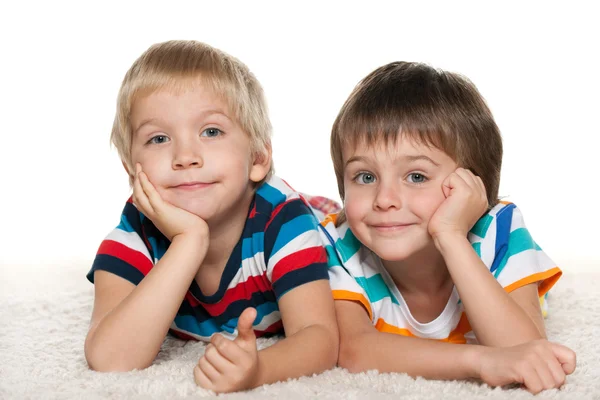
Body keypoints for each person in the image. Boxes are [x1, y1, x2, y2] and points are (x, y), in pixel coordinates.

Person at [84, 40, 339, 393]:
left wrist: (258, 369)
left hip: (320, 218)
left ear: (258, 158)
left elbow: (321, 337)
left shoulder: (284, 222)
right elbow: (110, 359)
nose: (185, 156)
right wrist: (189, 242)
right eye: (158, 138)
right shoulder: (133, 237)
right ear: (131, 167)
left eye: (211, 131)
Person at [320, 61, 576, 394]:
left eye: (416, 177)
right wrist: (480, 361)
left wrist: (452, 237)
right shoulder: (338, 244)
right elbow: (353, 349)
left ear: (469, 187)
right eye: (365, 177)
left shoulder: (498, 230)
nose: (384, 199)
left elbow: (524, 349)